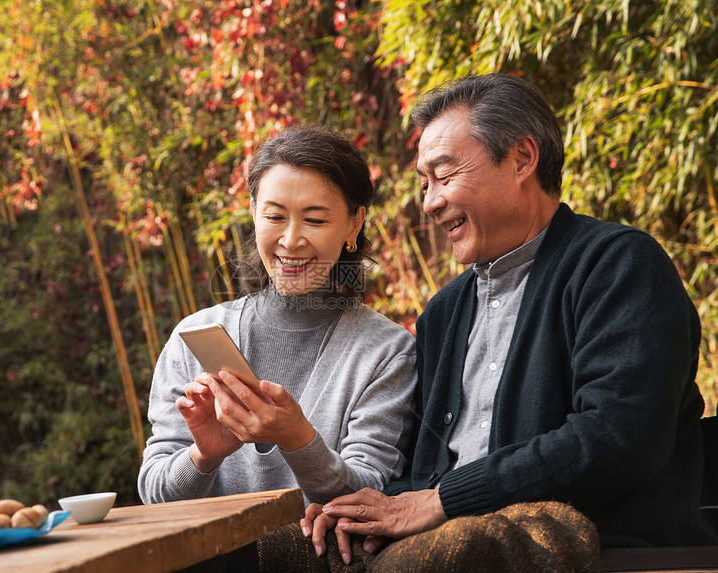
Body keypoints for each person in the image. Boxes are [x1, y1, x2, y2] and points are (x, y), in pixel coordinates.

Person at [280, 73, 717, 570]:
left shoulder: (620, 265)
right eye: (424, 184)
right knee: (284, 551)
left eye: (444, 176)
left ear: (522, 159)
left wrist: (443, 501)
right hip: (455, 540)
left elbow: (617, 436)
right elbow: (422, 476)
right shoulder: (443, 312)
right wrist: (352, 512)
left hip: (594, 542)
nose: (429, 202)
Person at [138, 125, 417, 506]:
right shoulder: (196, 336)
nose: (291, 240)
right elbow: (155, 495)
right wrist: (203, 456)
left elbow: (372, 496)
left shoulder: (386, 353)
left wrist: (298, 439)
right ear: (254, 213)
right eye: (275, 216)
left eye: (315, 220)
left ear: (354, 223)